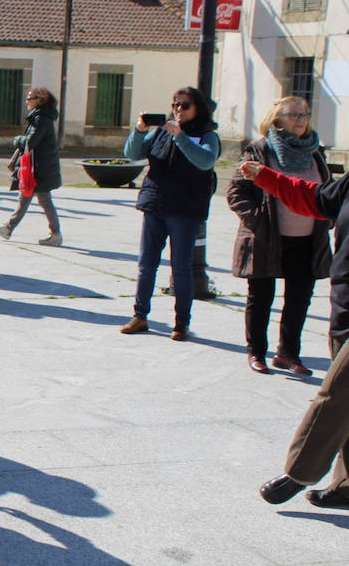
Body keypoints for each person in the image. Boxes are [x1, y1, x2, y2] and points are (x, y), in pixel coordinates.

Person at [234, 157, 349, 510]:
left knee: (337, 394)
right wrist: (267, 178)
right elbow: (313, 198)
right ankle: (346, 485)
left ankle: (299, 472)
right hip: (344, 304)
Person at [228, 95, 330, 376]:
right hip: (266, 238)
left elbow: (326, 192)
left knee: (299, 298)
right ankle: (256, 352)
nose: (301, 120)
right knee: (260, 297)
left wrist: (329, 216)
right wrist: (259, 222)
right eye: (294, 114)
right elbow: (237, 194)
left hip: (307, 240)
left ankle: (288, 354)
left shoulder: (315, 153)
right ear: (277, 120)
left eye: (305, 115)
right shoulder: (259, 151)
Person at [118, 86, 220, 341]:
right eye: (175, 104)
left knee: (181, 268)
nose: (179, 110)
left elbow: (205, 161)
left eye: (185, 105)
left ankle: (181, 323)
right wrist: (140, 131)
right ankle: (140, 315)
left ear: (198, 108)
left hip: (185, 209)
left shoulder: (207, 135)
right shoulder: (162, 132)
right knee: (147, 265)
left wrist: (181, 137)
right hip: (156, 204)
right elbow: (132, 154)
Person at [0, 87, 62, 247]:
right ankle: (9, 228)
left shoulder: (41, 119)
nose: (27, 101)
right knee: (28, 197)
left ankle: (55, 233)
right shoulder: (39, 117)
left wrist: (17, 139)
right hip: (37, 167)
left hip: (40, 168)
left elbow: (30, 142)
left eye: (30, 98)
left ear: (41, 99)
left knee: (42, 199)